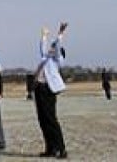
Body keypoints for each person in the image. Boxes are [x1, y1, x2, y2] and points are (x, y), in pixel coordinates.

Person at [34, 22, 69, 159]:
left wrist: (60, 34)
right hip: (39, 89)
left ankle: (61, 149)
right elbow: (42, 48)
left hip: (48, 90)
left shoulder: (57, 60)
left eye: (53, 49)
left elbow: (57, 46)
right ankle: (50, 148)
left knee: (51, 119)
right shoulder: (45, 58)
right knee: (42, 120)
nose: (51, 49)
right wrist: (43, 36)